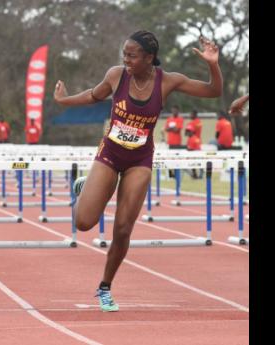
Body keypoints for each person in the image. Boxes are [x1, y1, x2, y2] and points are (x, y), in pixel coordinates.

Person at [54, 30, 222, 312]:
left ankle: (105, 287)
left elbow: (213, 91)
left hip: (140, 159)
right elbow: (94, 96)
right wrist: (64, 100)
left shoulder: (167, 81)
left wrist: (213, 64)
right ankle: (83, 190)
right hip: (110, 154)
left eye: (132, 55)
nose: (126, 59)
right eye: (125, 54)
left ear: (149, 58)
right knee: (83, 223)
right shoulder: (116, 75)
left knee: (122, 229)